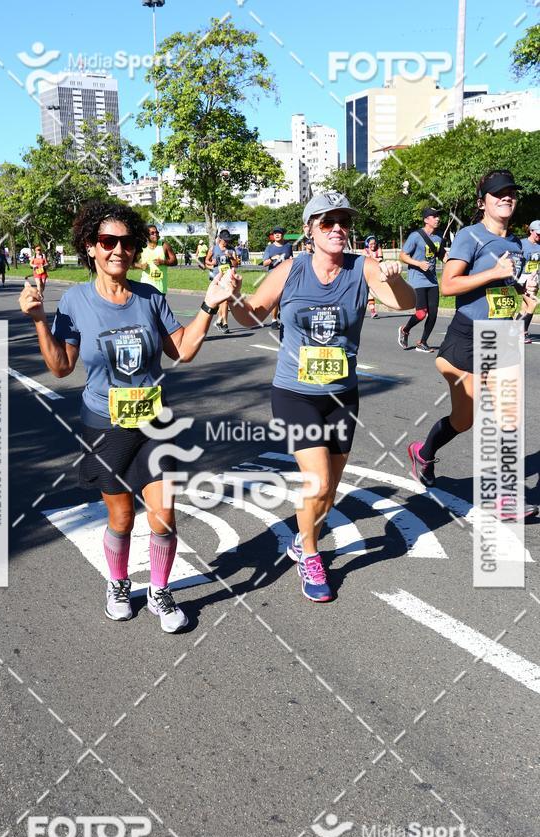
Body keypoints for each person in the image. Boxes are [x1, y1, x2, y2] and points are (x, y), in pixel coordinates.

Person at [18, 200, 240, 629]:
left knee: (164, 515)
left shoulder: (149, 297)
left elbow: (184, 350)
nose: (118, 249)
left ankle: (159, 591)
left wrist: (210, 306)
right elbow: (62, 367)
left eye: (127, 242)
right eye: (108, 241)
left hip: (155, 423)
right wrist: (39, 321)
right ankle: (118, 583)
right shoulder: (75, 301)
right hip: (105, 425)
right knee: (120, 517)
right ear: (90, 246)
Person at [227, 191, 415, 602]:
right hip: (295, 393)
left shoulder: (362, 269)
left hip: (343, 396)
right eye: (327, 222)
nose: (337, 229)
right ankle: (310, 555)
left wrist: (395, 277)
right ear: (309, 229)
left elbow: (405, 303)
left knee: (329, 491)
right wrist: (235, 296)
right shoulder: (291, 269)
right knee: (317, 480)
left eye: (342, 222)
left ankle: (302, 538)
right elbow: (254, 314)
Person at [407, 170, 539, 518]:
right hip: (468, 337)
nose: (506, 198)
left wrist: (521, 294)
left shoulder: (516, 244)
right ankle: (423, 451)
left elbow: (500, 289)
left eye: (511, 192)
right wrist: (493, 274)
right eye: (498, 194)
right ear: (483, 202)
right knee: (465, 420)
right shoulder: (470, 237)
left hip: (502, 337)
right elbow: (449, 285)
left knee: (507, 416)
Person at [398, 208, 447, 352]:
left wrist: (454, 264)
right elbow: (403, 255)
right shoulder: (416, 236)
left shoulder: (439, 237)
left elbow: (442, 255)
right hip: (417, 280)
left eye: (438, 216)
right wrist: (419, 263)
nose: (437, 219)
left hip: (432, 281)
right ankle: (405, 330)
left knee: (433, 313)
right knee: (421, 313)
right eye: (434, 216)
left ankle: (422, 342)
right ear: (426, 220)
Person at [205, 229, 239, 334]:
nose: (226, 242)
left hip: (228, 277)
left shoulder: (231, 249)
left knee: (225, 300)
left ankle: (220, 321)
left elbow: (236, 264)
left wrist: (230, 257)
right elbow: (206, 261)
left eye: (228, 240)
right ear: (220, 239)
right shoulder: (213, 249)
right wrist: (211, 263)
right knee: (223, 300)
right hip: (217, 277)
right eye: (225, 240)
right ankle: (224, 323)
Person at [262, 227, 293, 329]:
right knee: (275, 299)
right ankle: (274, 320)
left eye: (279, 233)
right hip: (274, 276)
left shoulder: (288, 246)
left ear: (283, 234)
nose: (277, 235)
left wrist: (291, 261)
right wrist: (272, 259)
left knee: (285, 298)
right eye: (275, 233)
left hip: (286, 275)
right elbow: (264, 263)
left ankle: (283, 316)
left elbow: (290, 258)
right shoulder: (269, 248)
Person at [515, 219, 540, 343]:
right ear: (531, 231)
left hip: (535, 280)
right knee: (532, 304)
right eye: (538, 233)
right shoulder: (521, 244)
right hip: (522, 279)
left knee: (524, 307)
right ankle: (522, 333)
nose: (539, 236)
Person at [136, 224, 177, 294]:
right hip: (145, 287)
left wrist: (163, 262)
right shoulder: (142, 247)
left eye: (157, 232)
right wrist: (140, 266)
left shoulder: (164, 245)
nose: (156, 234)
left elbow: (175, 261)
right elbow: (131, 263)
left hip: (160, 288)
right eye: (152, 233)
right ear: (146, 235)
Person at [363, 235, 383, 318]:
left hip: (376, 274)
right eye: (371, 244)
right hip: (366, 273)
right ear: (367, 244)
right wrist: (375, 259)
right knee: (364, 293)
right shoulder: (364, 251)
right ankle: (369, 310)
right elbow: (367, 259)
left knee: (371, 292)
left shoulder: (379, 249)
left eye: (374, 243)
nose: (373, 245)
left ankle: (372, 311)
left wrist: (372, 258)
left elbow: (380, 259)